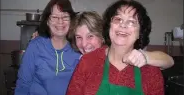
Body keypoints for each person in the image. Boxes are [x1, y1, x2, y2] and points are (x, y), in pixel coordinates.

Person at [65, 0, 165, 95]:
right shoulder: (87, 62)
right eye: (118, 19)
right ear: (109, 26)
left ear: (140, 32)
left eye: (131, 22)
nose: (123, 25)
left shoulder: (151, 71)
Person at [32, 11, 174, 69]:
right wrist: (43, 37)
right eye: (79, 38)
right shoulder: (78, 57)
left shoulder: (118, 54)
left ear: (101, 36)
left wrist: (144, 56)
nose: (84, 44)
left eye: (90, 36)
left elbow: (168, 61)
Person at [14, 0, 81, 95]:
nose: (60, 21)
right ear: (47, 21)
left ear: (71, 21)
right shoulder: (36, 46)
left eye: (65, 17)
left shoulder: (78, 48)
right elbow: (23, 84)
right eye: (54, 17)